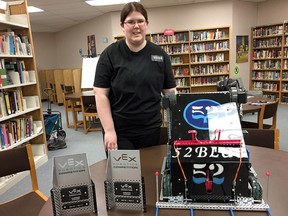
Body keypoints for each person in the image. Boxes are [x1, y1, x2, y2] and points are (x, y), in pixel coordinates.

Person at [93, 2, 176, 151]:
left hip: (151, 129)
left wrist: (177, 126)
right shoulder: (109, 55)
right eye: (130, 22)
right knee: (124, 175)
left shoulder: (160, 55)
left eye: (140, 21)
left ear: (147, 24)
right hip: (119, 132)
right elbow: (100, 94)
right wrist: (109, 131)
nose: (136, 26)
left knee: (151, 172)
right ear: (122, 25)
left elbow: (170, 94)